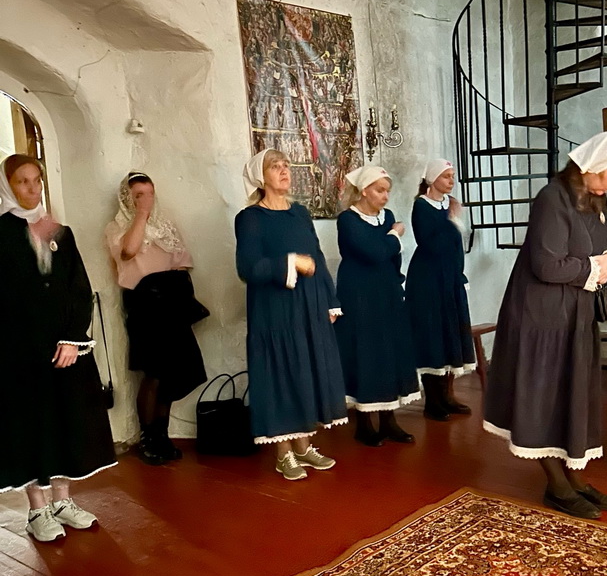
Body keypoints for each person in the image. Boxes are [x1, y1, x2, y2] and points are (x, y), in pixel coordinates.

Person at [483, 131, 607, 520]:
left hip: (575, 311)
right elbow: (547, 266)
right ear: (594, 165)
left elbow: (601, 250)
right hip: (543, 315)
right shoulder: (552, 198)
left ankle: (575, 479)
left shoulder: (597, 200)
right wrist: (598, 266)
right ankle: (557, 486)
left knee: (572, 393)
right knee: (545, 397)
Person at [0, 154, 116, 542]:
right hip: (21, 351)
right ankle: (38, 509)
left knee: (69, 419)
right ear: (7, 186)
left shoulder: (59, 232)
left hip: (65, 348)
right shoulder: (1, 234)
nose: (33, 189)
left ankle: (63, 501)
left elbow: (79, 287)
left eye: (37, 180)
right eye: (22, 182)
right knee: (33, 425)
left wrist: (71, 338)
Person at [235, 148, 347, 480]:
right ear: (261, 176)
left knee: (304, 371)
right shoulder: (250, 218)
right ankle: (283, 454)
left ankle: (303, 446)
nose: (285, 171)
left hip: (309, 305)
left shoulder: (299, 213)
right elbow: (248, 268)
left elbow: (318, 257)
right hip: (274, 311)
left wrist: (330, 300)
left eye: (287, 165)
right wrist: (291, 262)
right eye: (276, 167)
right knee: (280, 372)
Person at [106, 173, 208, 465]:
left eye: (150, 194)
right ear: (127, 198)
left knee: (173, 372)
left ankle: (162, 435)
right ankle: (148, 438)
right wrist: (141, 215)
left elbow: (182, 261)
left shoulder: (165, 225)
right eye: (139, 195)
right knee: (154, 372)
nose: (146, 200)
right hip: (145, 303)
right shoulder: (117, 227)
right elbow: (129, 251)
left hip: (171, 300)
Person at [335, 164, 420, 446]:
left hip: (386, 292)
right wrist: (394, 236)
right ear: (364, 191)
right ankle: (363, 422)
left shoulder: (387, 217)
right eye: (380, 190)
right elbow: (373, 252)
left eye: (387, 191)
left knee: (388, 352)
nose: (385, 196)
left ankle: (388, 419)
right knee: (365, 352)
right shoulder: (348, 220)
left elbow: (390, 257)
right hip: (359, 295)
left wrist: (396, 281)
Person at [405, 158, 476, 420]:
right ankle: (433, 401)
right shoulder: (421, 206)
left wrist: (459, 275)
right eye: (446, 176)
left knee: (450, 335)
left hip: (449, 279)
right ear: (432, 179)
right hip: (428, 281)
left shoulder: (449, 205)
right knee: (432, 336)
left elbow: (455, 245)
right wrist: (452, 219)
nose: (451, 181)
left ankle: (447, 396)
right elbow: (431, 243)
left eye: (452, 176)